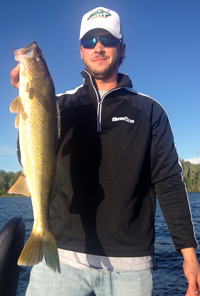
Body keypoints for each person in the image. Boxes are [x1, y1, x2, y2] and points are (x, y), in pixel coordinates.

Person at [11, 7, 200, 296]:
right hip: (59, 256)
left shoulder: (150, 111)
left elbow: (169, 183)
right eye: (89, 41)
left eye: (107, 39)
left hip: (130, 267)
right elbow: (30, 159)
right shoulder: (59, 105)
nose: (98, 47)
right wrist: (27, 103)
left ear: (121, 48)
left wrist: (188, 254)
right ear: (81, 51)